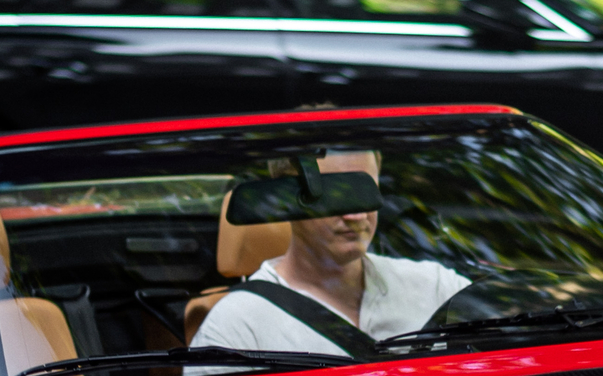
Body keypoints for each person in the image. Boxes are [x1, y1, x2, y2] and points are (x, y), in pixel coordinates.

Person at [192, 149, 470, 357]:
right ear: (286, 199)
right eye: (334, 193)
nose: (357, 214)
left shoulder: (438, 288)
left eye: (365, 189)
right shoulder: (235, 326)